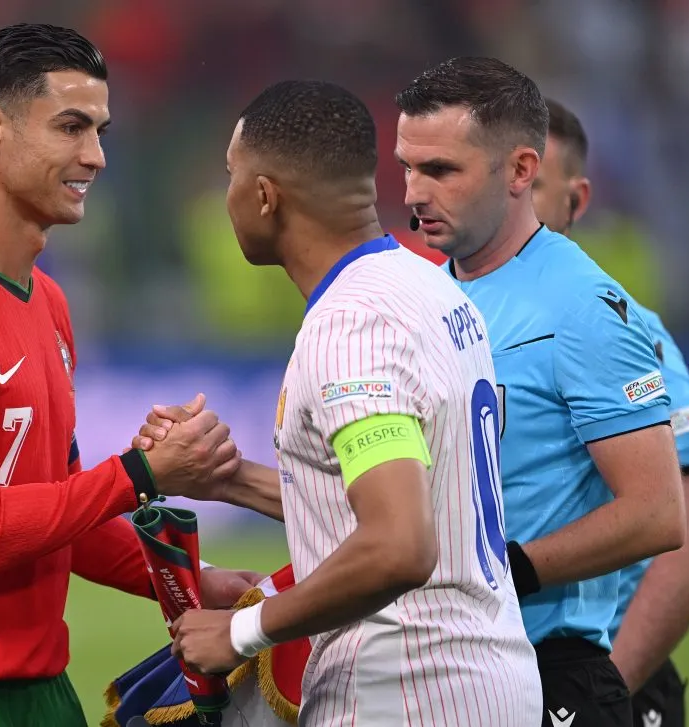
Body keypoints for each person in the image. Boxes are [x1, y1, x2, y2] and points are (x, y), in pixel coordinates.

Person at [0, 23, 256, 727]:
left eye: (99, 131)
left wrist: (190, 582)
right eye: (70, 127)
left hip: (42, 690)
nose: (95, 155)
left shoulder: (48, 303)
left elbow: (60, 515)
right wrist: (139, 473)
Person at [138, 79, 542, 726]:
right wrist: (229, 479)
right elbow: (419, 501)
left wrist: (242, 632)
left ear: (265, 196)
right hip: (488, 676)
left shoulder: (352, 326)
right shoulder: (428, 286)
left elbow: (400, 544)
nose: (226, 195)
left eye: (230, 176)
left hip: (407, 693)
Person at [394, 57, 687, 727]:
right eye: (407, 167)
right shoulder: (423, 296)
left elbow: (657, 511)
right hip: (438, 666)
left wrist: (506, 569)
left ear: (521, 170)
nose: (413, 192)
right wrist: (235, 480)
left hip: (546, 669)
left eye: (440, 170)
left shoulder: (582, 307)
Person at [533, 98, 689, 727]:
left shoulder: (625, 330)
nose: (513, 202)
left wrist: (606, 692)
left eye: (533, 185)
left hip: (596, 680)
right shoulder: (463, 322)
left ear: (576, 200)